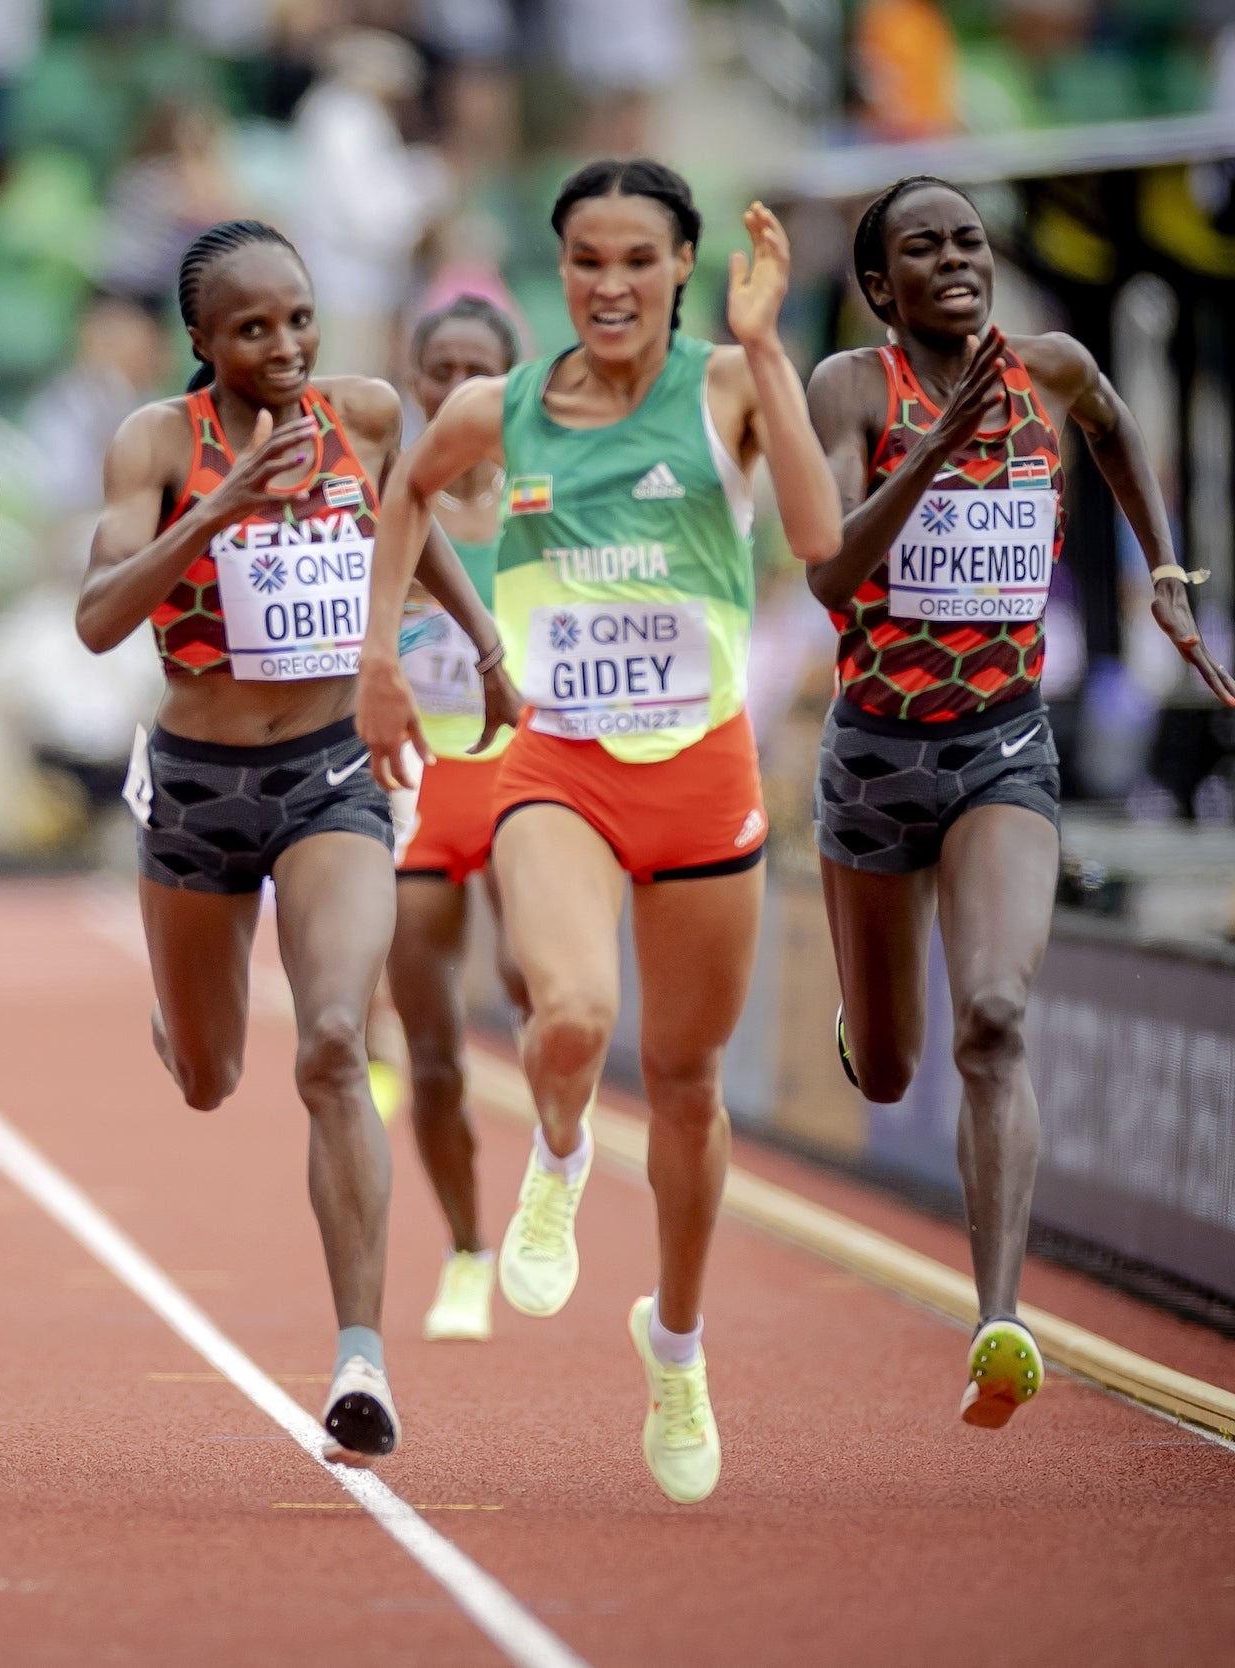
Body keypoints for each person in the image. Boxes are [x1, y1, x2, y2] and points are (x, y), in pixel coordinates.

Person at [359, 162, 843, 1504]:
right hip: (554, 766)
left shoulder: (734, 387)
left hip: (702, 777)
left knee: (687, 1085)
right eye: (586, 261)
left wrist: (765, 351)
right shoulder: (497, 408)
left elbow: (812, 532)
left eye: (639, 260)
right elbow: (405, 492)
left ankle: (675, 1347)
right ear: (557, 269)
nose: (612, 286)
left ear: (684, 264)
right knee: (567, 1012)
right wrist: (381, 666)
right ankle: (562, 1156)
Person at [803, 175, 1235, 1428]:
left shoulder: (1049, 369)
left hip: (1005, 748)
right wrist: (931, 459)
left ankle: (998, 1320)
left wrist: (1162, 569)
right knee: (889, 1070)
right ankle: (863, 1006)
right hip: (876, 762)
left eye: (969, 241)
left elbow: (1112, 426)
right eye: (920, 251)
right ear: (882, 287)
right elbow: (829, 570)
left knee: (995, 1016)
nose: (954, 261)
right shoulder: (851, 388)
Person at [76, 219, 519, 1465]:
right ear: (203, 342)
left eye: (300, 320)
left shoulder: (366, 416)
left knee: (334, 1042)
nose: (283, 346)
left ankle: (360, 1357)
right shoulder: (156, 443)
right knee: (212, 1076)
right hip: (198, 786)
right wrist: (217, 509)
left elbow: (411, 528)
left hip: (332, 777)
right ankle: (183, 1009)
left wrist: (482, 647)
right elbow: (101, 617)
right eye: (253, 328)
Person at [385, 294, 528, 1345]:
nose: (455, 389)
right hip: (417, 785)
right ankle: (469, 1248)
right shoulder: (388, 499)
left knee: (542, 986)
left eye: (479, 369)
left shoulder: (548, 499)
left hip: (531, 777)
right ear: (415, 377)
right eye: (439, 369)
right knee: (431, 1049)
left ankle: (554, 1179)